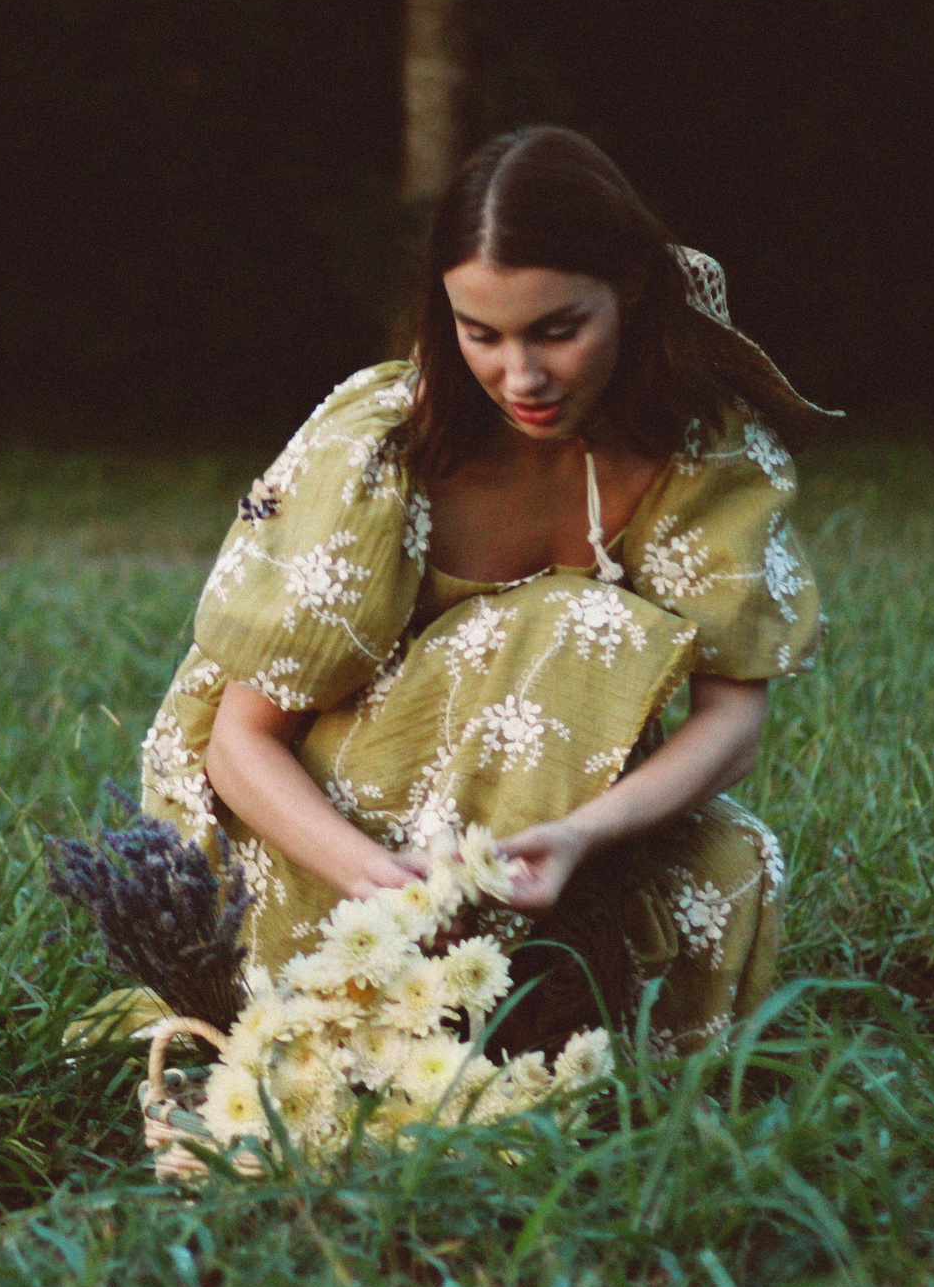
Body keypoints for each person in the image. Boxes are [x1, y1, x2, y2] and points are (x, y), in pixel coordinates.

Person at [138, 125, 832, 1057]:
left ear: (629, 288)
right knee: (570, 624)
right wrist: (381, 883)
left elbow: (732, 725)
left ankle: (568, 1070)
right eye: (482, 335)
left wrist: (582, 837)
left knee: (726, 859)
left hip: (546, 831)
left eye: (558, 330)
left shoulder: (701, 448)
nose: (522, 376)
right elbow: (239, 743)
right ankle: (392, 1027)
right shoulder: (385, 449)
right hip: (317, 835)